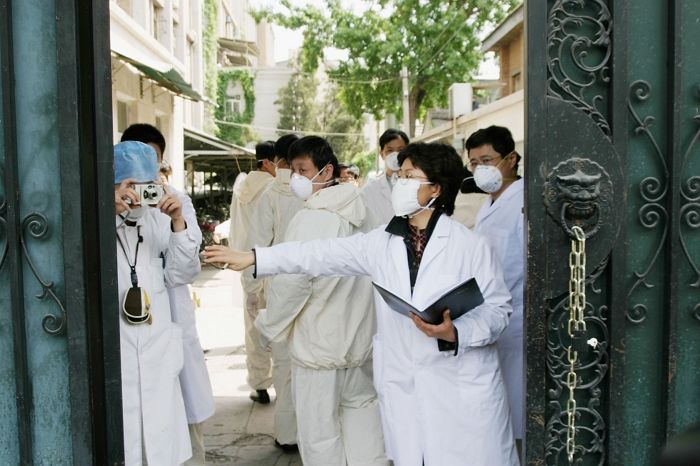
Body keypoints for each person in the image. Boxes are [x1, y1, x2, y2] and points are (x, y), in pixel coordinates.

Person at [204, 142, 519, 466]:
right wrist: (254, 257)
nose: (400, 184)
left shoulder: (470, 246)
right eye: (400, 176)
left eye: (410, 177)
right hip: (404, 384)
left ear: (436, 188)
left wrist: (458, 332)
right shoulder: (383, 241)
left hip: (459, 385)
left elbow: (498, 310)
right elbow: (317, 254)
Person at [252, 135, 387, 465]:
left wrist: (268, 325)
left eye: (302, 170)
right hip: (360, 346)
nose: (295, 178)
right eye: (292, 169)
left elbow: (292, 283)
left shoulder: (311, 217)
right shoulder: (364, 211)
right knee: (365, 435)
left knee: (320, 438)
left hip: (319, 352)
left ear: (327, 172)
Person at [121, 124, 215, 465]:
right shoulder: (105, 204)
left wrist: (176, 221)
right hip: (130, 338)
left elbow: (183, 271)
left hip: (169, 322)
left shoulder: (173, 200)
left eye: (152, 163)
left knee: (181, 427)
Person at [467, 125, 525, 456]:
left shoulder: (522, 203)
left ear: (511, 158)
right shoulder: (487, 204)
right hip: (492, 326)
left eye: (486, 160)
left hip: (517, 326)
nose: (479, 169)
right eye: (474, 163)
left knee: (519, 424)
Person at [254, 133, 303, 451]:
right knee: (306, 363)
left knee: (285, 363)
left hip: (280, 288)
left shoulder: (269, 195)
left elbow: (258, 247)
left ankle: (287, 434)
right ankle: (305, 431)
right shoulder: (315, 190)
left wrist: (254, 289)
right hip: (313, 286)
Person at [228, 140, 276, 404]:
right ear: (269, 162)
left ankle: (259, 384)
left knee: (253, 327)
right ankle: (282, 381)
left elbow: (236, 228)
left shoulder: (240, 188)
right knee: (279, 324)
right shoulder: (275, 188)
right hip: (273, 263)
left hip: (247, 265)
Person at [361, 129, 409, 227]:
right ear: (382, 154)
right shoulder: (369, 190)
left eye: (400, 150)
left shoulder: (417, 185)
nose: (395, 155)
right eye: (390, 150)